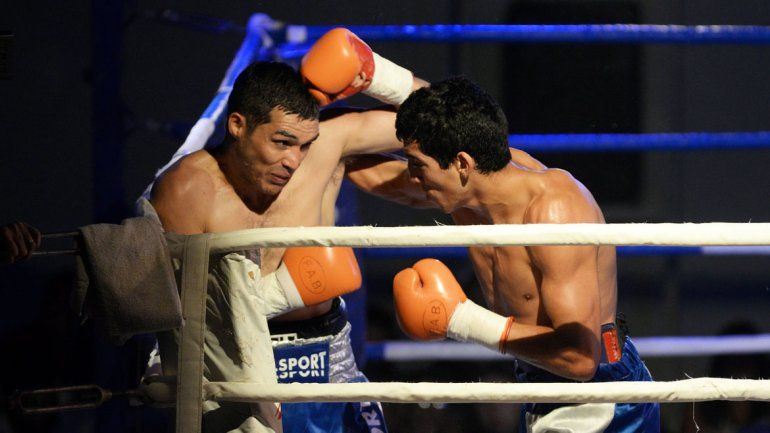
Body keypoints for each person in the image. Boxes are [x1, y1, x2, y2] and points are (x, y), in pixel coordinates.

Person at [344, 76, 661, 432]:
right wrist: (331, 136)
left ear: (462, 164)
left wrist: (461, 321)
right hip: (540, 383)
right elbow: (389, 168)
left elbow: (581, 358)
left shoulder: (553, 211)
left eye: (418, 166)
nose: (413, 178)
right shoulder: (466, 191)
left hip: (599, 397)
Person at [150, 28, 427, 433]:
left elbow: (443, 123)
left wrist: (378, 73)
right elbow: (176, 306)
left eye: (303, 144)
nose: (294, 160)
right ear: (238, 125)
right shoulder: (187, 190)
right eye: (281, 142)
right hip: (235, 366)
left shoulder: (327, 144)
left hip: (328, 356)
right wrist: (285, 291)